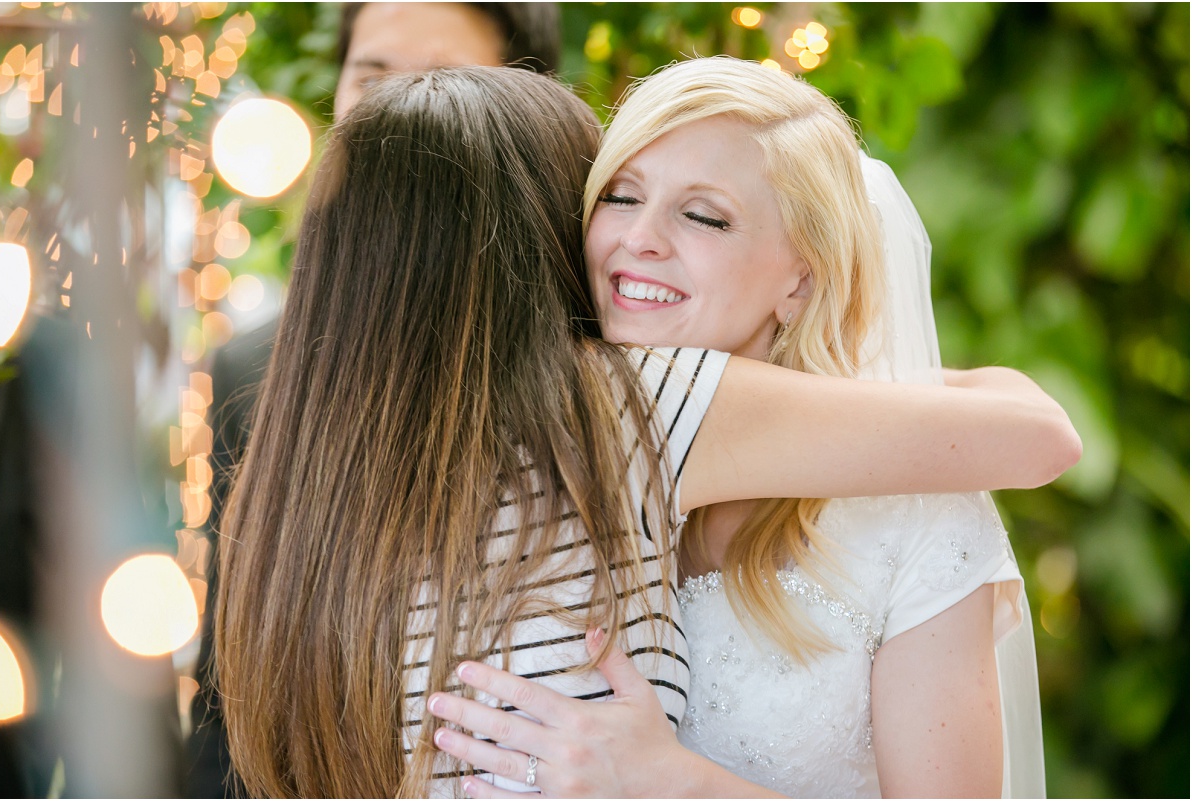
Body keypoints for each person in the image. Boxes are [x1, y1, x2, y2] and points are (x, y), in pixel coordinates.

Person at [214, 65, 1078, 798]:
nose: (638, 240)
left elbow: (1037, 439)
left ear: (802, 281)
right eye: (617, 196)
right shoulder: (608, 409)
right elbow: (1033, 432)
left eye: (705, 215)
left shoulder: (311, 477)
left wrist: (676, 780)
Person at [186, 4, 561, 797]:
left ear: (527, 100)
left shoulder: (583, 358)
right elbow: (229, 694)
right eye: (372, 73)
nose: (395, 107)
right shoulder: (255, 362)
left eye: (438, 77)